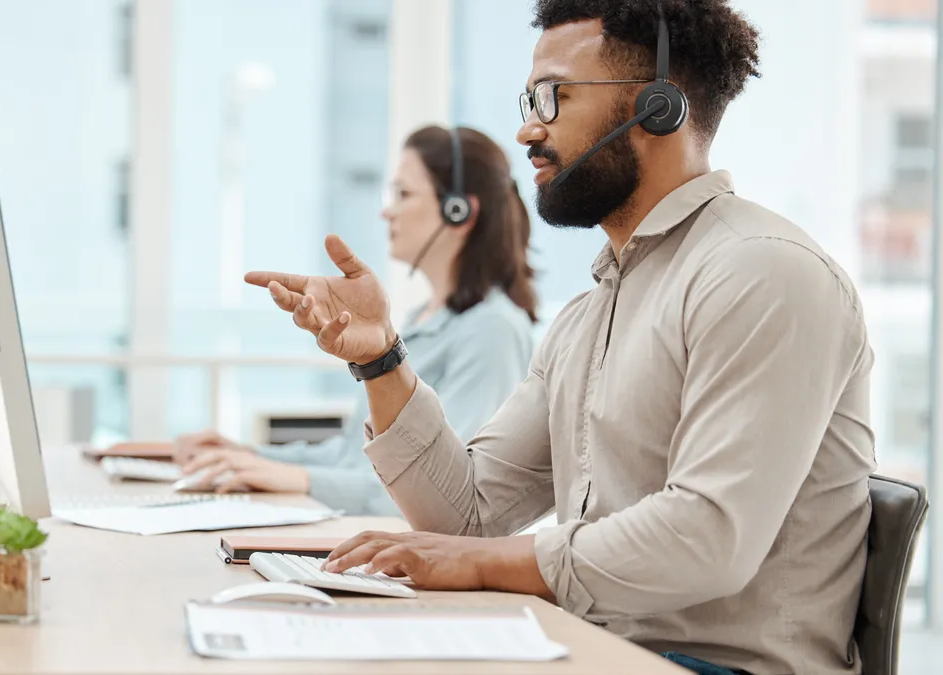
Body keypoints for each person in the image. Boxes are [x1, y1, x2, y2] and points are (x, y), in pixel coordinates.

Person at [243, 2, 874, 674]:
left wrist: (480, 564)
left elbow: (708, 539)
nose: (526, 129)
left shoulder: (762, 273)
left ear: (658, 107)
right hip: (593, 651)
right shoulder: (590, 315)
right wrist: (380, 358)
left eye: (553, 96)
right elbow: (467, 515)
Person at [138, 125, 538, 516]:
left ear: (459, 211)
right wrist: (246, 455)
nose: (386, 211)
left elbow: (443, 491)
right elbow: (349, 455)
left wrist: (296, 478)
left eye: (402, 194)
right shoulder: (422, 319)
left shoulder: (493, 331)